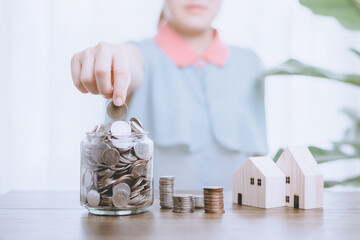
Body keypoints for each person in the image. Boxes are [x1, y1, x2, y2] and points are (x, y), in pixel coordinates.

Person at [71, 0, 267, 190]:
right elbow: (130, 63)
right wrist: (114, 56)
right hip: (151, 222)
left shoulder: (250, 63)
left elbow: (260, 159)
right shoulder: (140, 55)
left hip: (238, 221)